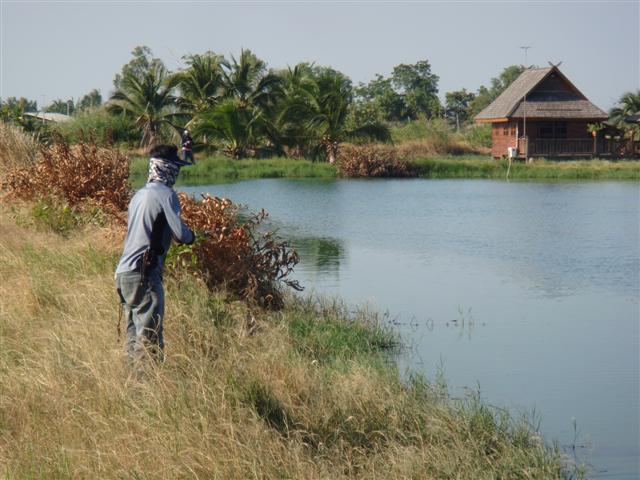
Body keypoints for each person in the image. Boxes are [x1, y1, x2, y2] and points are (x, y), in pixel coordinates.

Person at [115, 144, 195, 367]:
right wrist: (193, 236)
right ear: (167, 168)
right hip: (145, 274)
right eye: (175, 167)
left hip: (124, 274)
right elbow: (181, 234)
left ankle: (131, 389)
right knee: (150, 338)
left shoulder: (138, 195)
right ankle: (147, 394)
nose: (177, 173)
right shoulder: (166, 194)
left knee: (133, 336)